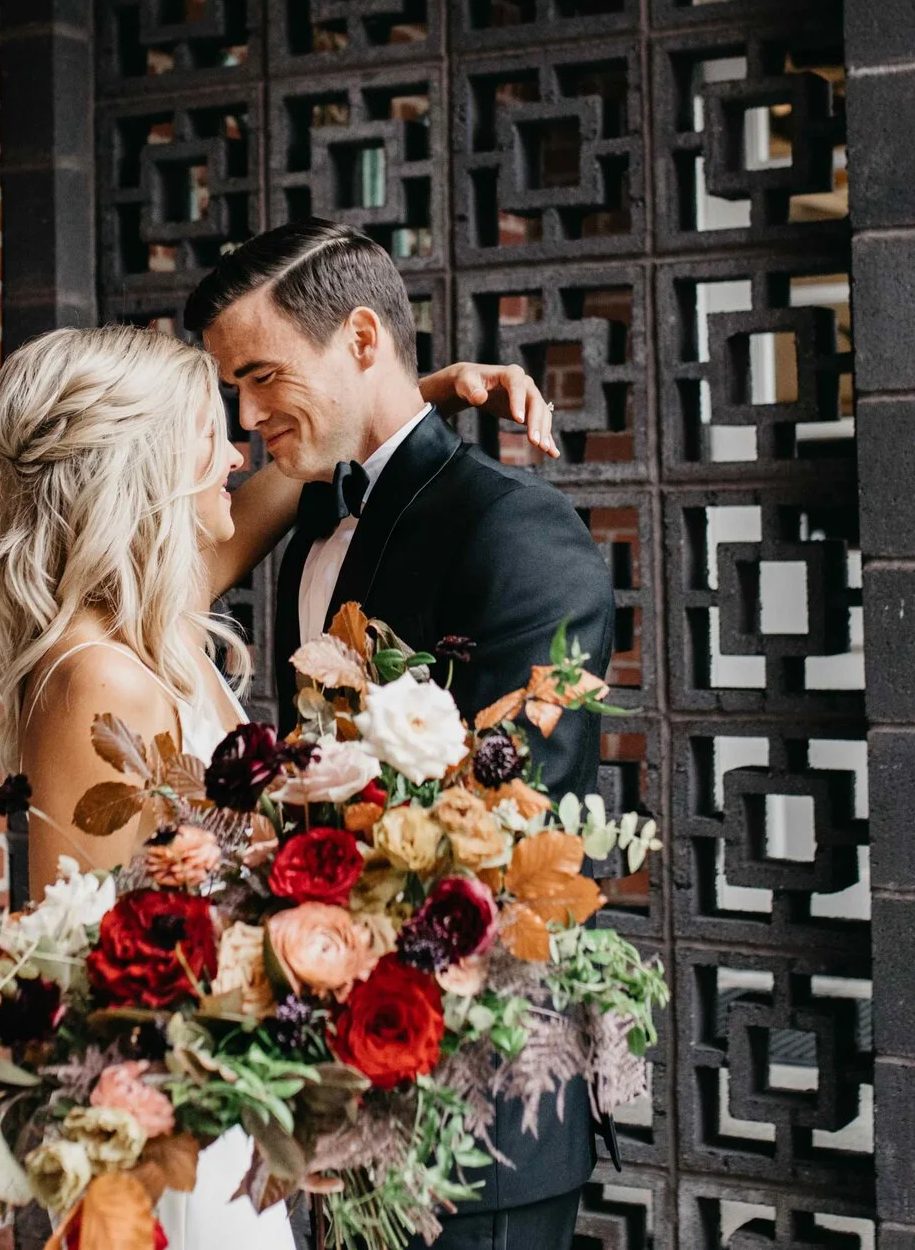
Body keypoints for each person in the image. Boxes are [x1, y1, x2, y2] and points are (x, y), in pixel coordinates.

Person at [0, 320, 558, 1249]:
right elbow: (99, 978)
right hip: (171, 1145)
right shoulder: (104, 678)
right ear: (149, 470)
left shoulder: (142, 629)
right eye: (214, 435)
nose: (240, 455)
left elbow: (275, 490)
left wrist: (411, 395)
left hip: (209, 1114)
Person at [186, 219, 612, 1250]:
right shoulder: (311, 518)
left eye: (261, 377)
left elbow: (516, 833)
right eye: (233, 391)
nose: (247, 419)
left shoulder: (510, 529)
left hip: (475, 1115)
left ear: (363, 338)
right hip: (332, 1091)